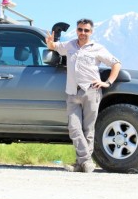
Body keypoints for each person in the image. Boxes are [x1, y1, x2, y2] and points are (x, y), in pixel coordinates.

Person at [46, 18, 122, 173]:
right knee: (74, 127)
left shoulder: (98, 48)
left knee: (88, 129)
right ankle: (86, 161)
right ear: (77, 30)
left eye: (86, 30)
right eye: (80, 29)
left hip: (91, 91)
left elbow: (116, 64)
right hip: (72, 92)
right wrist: (50, 42)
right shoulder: (69, 45)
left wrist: (107, 82)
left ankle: (80, 164)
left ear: (91, 32)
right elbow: (54, 47)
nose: (83, 33)